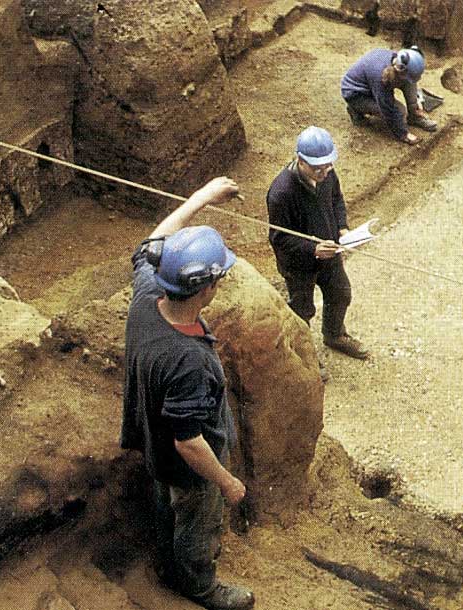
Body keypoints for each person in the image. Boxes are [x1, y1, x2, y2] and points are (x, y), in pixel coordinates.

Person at [121, 176, 255, 610]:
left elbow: (153, 241)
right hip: (190, 465)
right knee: (197, 519)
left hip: (151, 437)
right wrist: (228, 482)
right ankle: (198, 586)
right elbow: (190, 443)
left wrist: (203, 198)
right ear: (206, 288)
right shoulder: (189, 362)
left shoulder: (147, 295)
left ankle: (166, 560)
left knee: (166, 504)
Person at [266, 126, 369, 361]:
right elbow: (279, 239)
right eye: (317, 168)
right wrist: (312, 249)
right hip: (299, 265)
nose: (324, 172)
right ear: (300, 161)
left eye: (328, 165)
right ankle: (305, 356)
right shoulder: (281, 193)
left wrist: (342, 226)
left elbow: (337, 200)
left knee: (341, 294)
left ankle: (334, 335)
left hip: (330, 254)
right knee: (302, 310)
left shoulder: (328, 175)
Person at [341, 46, 438, 144]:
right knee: (400, 111)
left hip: (372, 83)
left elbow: (411, 81)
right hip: (355, 94)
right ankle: (355, 110)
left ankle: (414, 117)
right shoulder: (381, 77)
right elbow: (387, 108)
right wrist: (402, 133)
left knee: (409, 83)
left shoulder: (400, 62)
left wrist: (415, 102)